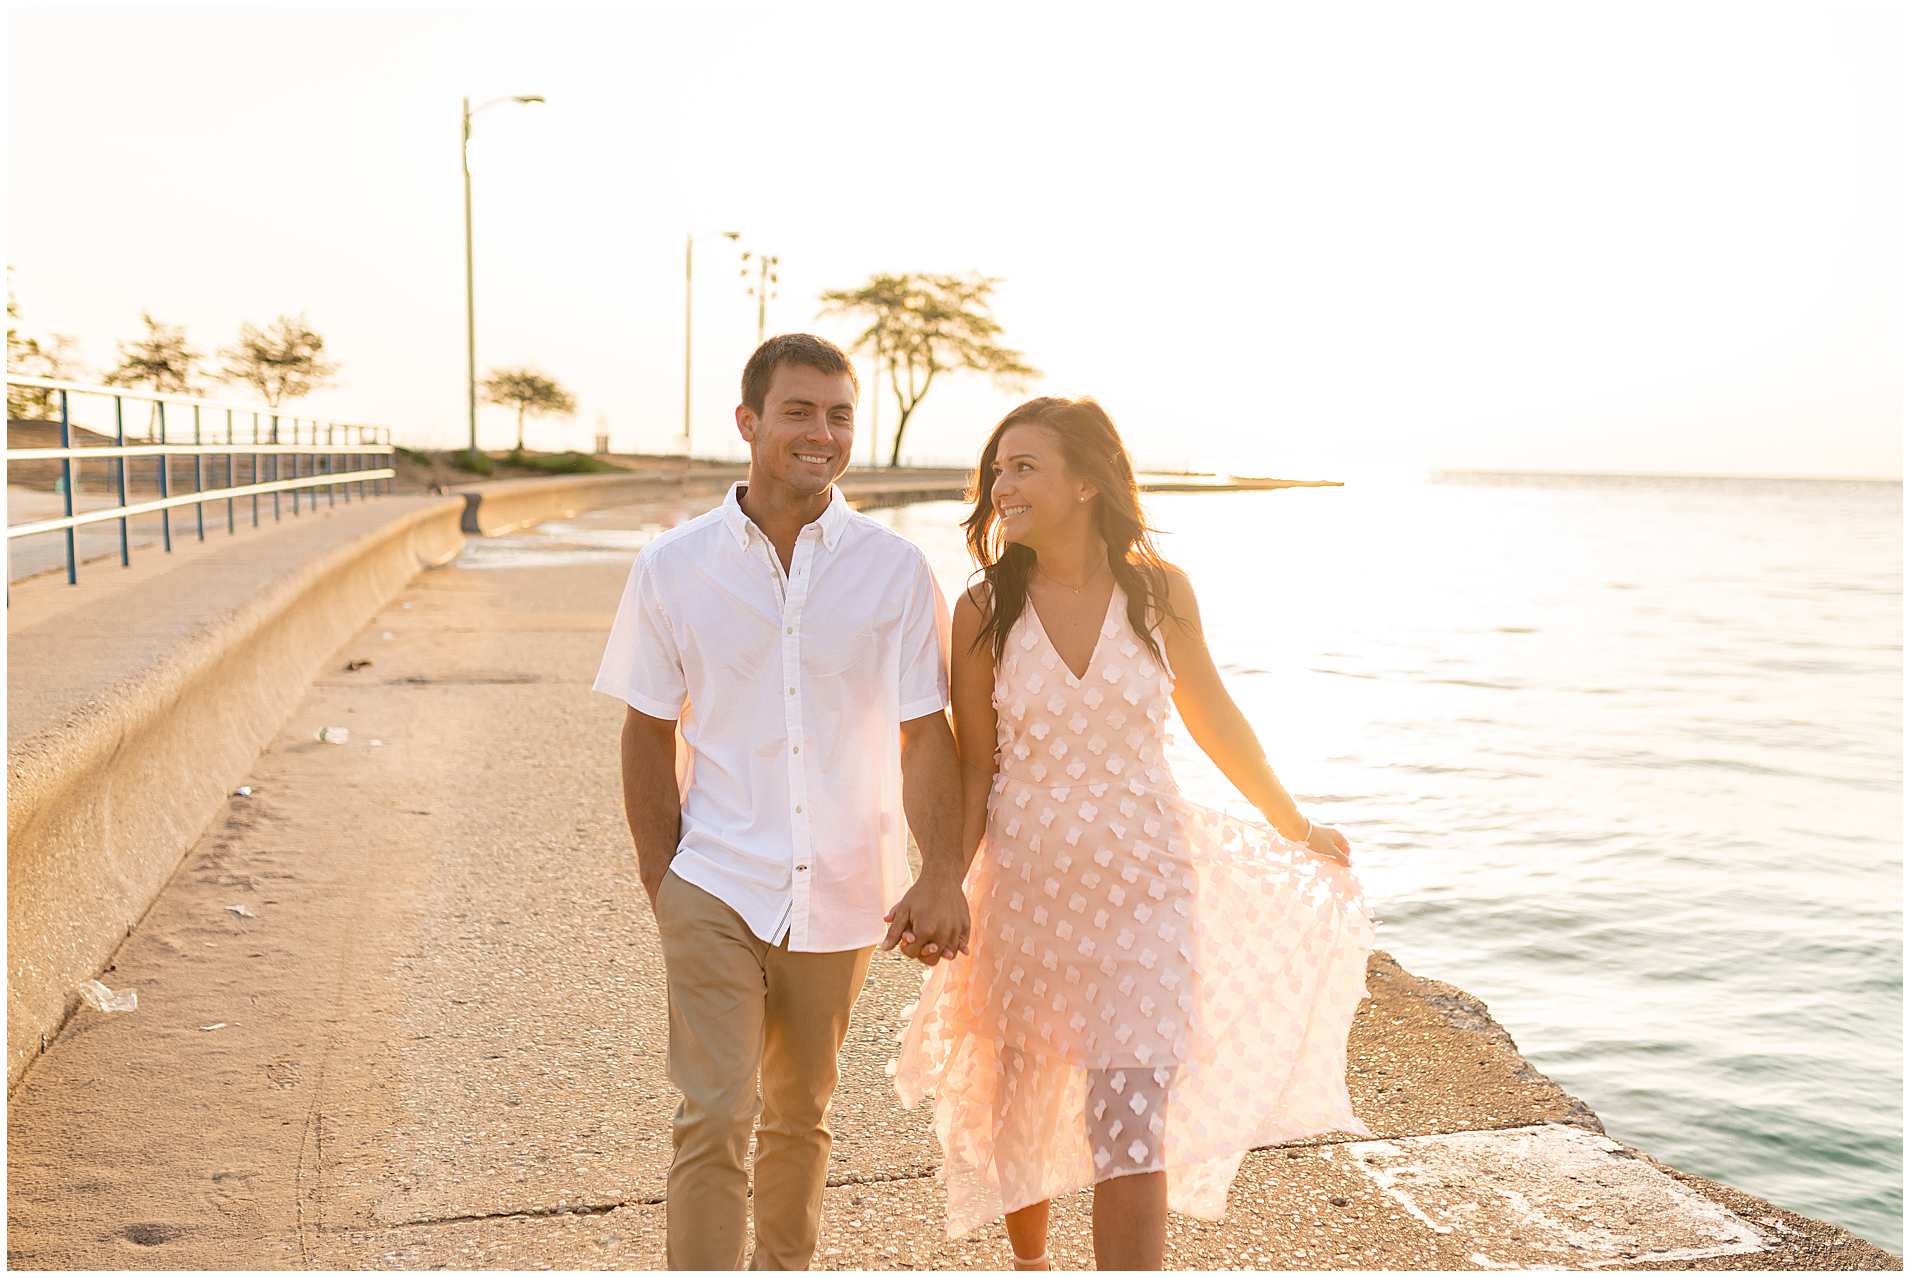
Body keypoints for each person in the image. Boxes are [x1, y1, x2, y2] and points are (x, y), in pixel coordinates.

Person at [891, 396, 1377, 1270]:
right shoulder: (982, 610)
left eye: (1024, 467)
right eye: (996, 469)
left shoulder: (1159, 593)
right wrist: (946, 883)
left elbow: (1214, 717)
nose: (1002, 484)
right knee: (1021, 1104)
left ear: (1086, 481)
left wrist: (1294, 823)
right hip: (1028, 892)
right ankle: (1031, 1265)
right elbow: (974, 765)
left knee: (1128, 1120)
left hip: (1148, 891)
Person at [594, 333, 970, 1270]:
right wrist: (663, 876)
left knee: (800, 1115)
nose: (823, 432)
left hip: (845, 887)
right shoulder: (672, 569)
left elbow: (928, 735)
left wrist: (943, 873)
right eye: (799, 411)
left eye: (841, 414)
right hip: (715, 875)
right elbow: (646, 728)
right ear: (749, 423)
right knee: (716, 1112)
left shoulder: (895, 571)